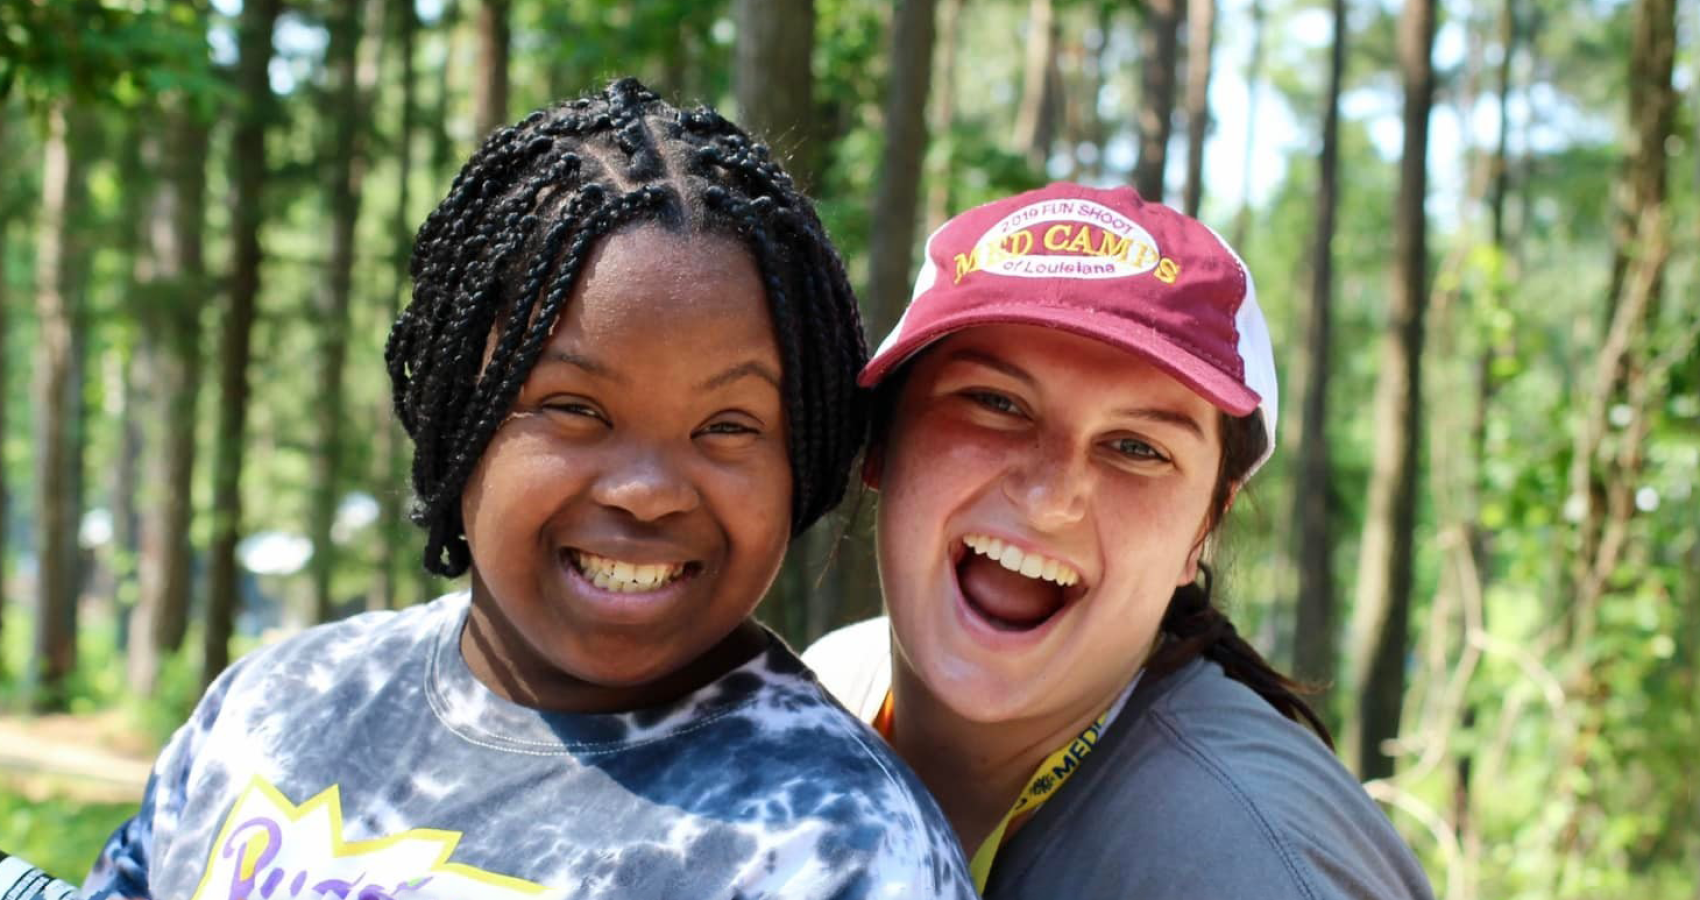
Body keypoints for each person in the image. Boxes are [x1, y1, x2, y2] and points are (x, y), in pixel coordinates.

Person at [84, 79, 974, 900]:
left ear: (803, 455)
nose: (647, 491)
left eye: (728, 426)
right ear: (458, 418)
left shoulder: (839, 845)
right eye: (575, 407)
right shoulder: (276, 705)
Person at [805, 182, 1436, 898]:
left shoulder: (1244, 862)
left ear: (1203, 527)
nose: (1049, 498)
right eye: (995, 403)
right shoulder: (825, 696)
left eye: (1136, 447)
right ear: (882, 440)